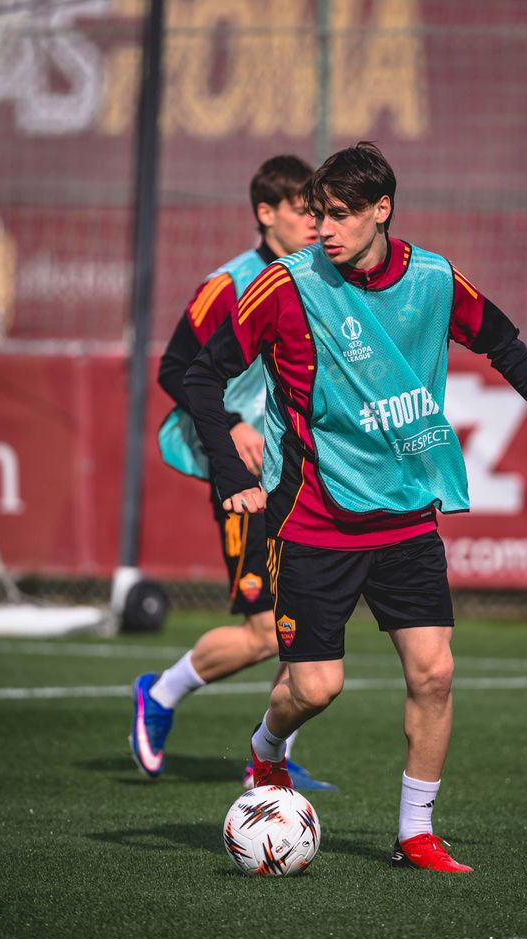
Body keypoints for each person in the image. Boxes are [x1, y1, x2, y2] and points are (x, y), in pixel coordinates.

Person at [183, 142, 527, 872]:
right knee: (314, 689)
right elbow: (199, 371)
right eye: (318, 216)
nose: (324, 231)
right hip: (316, 518)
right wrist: (227, 469)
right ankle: (266, 747)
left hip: (407, 516)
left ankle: (415, 833)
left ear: (382, 211)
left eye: (340, 216)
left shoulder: (434, 279)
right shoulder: (287, 285)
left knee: (434, 673)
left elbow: (505, 343)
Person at [130, 154, 337, 792]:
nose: (314, 222)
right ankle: (160, 693)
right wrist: (234, 423)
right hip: (244, 476)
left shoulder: (320, 279)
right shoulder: (230, 283)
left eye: (319, 211)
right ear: (265, 214)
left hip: (304, 474)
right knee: (260, 633)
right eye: (302, 211)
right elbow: (173, 369)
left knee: (299, 625)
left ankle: (269, 763)